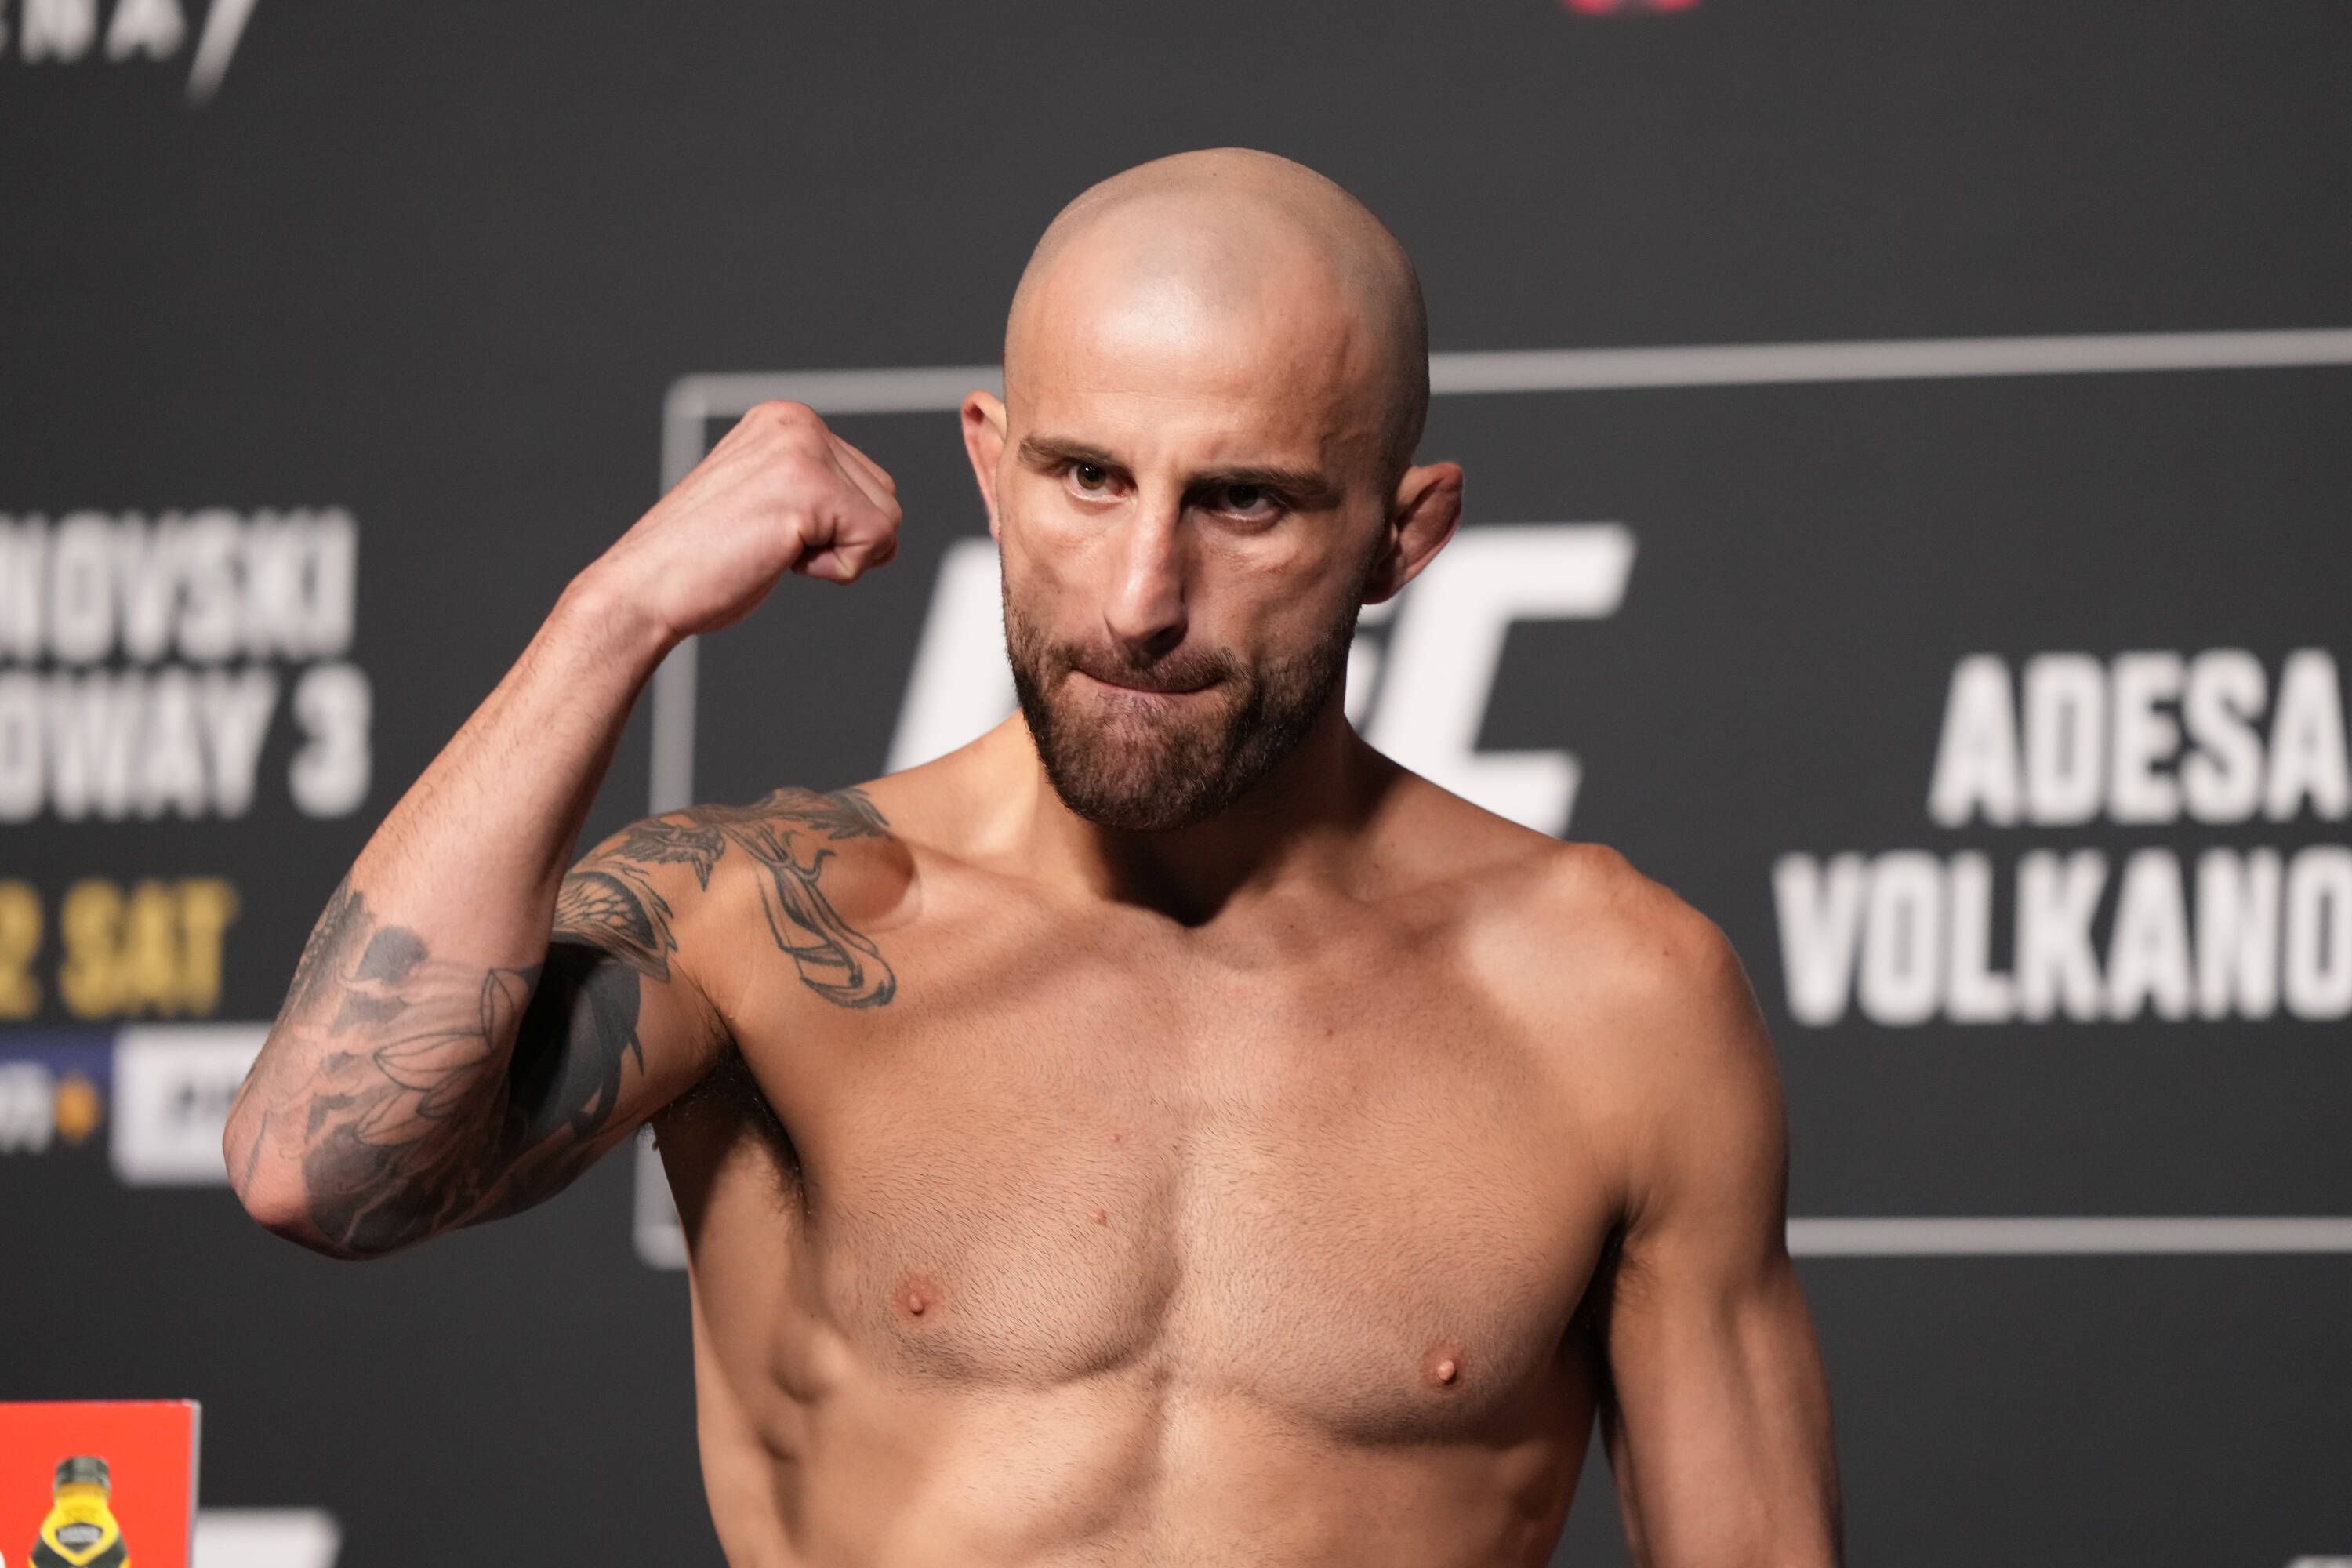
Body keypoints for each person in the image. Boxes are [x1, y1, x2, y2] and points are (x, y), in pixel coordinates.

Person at [224, 147, 1839, 1567]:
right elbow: (321, 1168)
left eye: (1244, 504)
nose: (1140, 599)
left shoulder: (1616, 997)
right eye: (1086, 478)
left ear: (1402, 538)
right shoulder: (771, 917)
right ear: (991, 467)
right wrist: (610, 616)